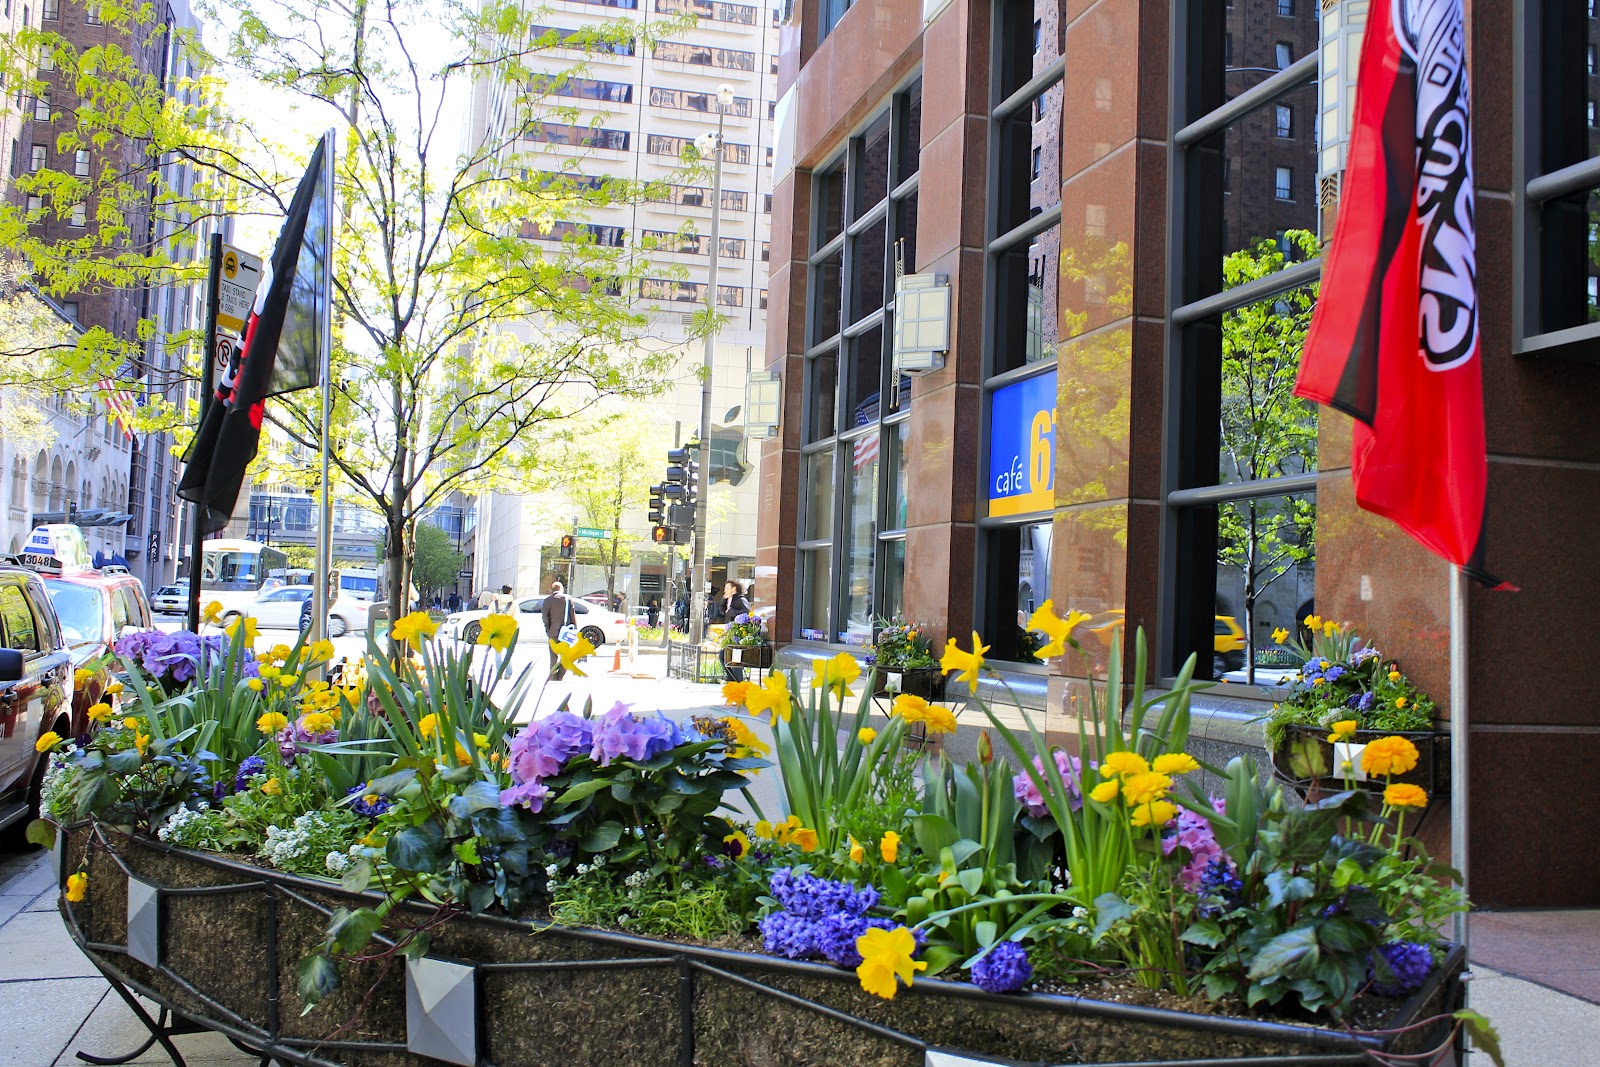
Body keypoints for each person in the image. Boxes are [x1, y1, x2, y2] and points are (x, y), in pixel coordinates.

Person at [541, 581, 579, 679]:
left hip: (553, 632)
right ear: (561, 589)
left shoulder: (547, 600)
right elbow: (573, 616)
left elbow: (545, 617)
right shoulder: (568, 599)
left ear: (552, 590)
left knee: (553, 656)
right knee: (566, 656)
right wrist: (575, 630)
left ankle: (553, 676)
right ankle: (560, 675)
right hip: (566, 633)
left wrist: (548, 629)